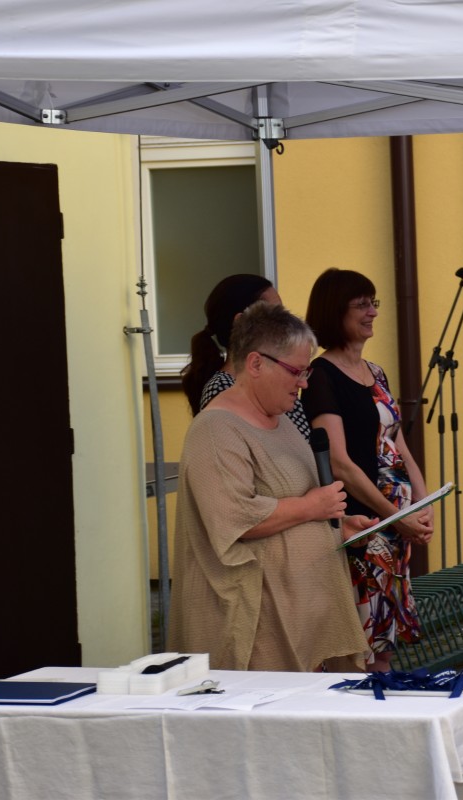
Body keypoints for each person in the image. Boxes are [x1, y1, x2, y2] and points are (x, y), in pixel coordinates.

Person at [169, 302, 371, 672]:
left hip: (306, 617)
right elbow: (236, 517)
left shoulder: (284, 422)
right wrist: (312, 508)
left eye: (307, 371)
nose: (304, 383)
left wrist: (340, 529)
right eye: (297, 371)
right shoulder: (215, 430)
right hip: (255, 628)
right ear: (256, 364)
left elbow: (296, 502)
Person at [301, 268, 433, 672]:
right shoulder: (321, 376)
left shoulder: (376, 372)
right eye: (361, 304)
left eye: (373, 302)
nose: (372, 312)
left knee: (385, 640)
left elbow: (399, 443)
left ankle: (383, 698)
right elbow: (339, 461)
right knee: (361, 643)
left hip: (394, 528)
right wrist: (396, 517)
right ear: (334, 311)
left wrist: (423, 502)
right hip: (365, 525)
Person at [180, 273, 311, 439]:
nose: (285, 325)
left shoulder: (277, 383)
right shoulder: (222, 390)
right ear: (242, 323)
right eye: (276, 316)